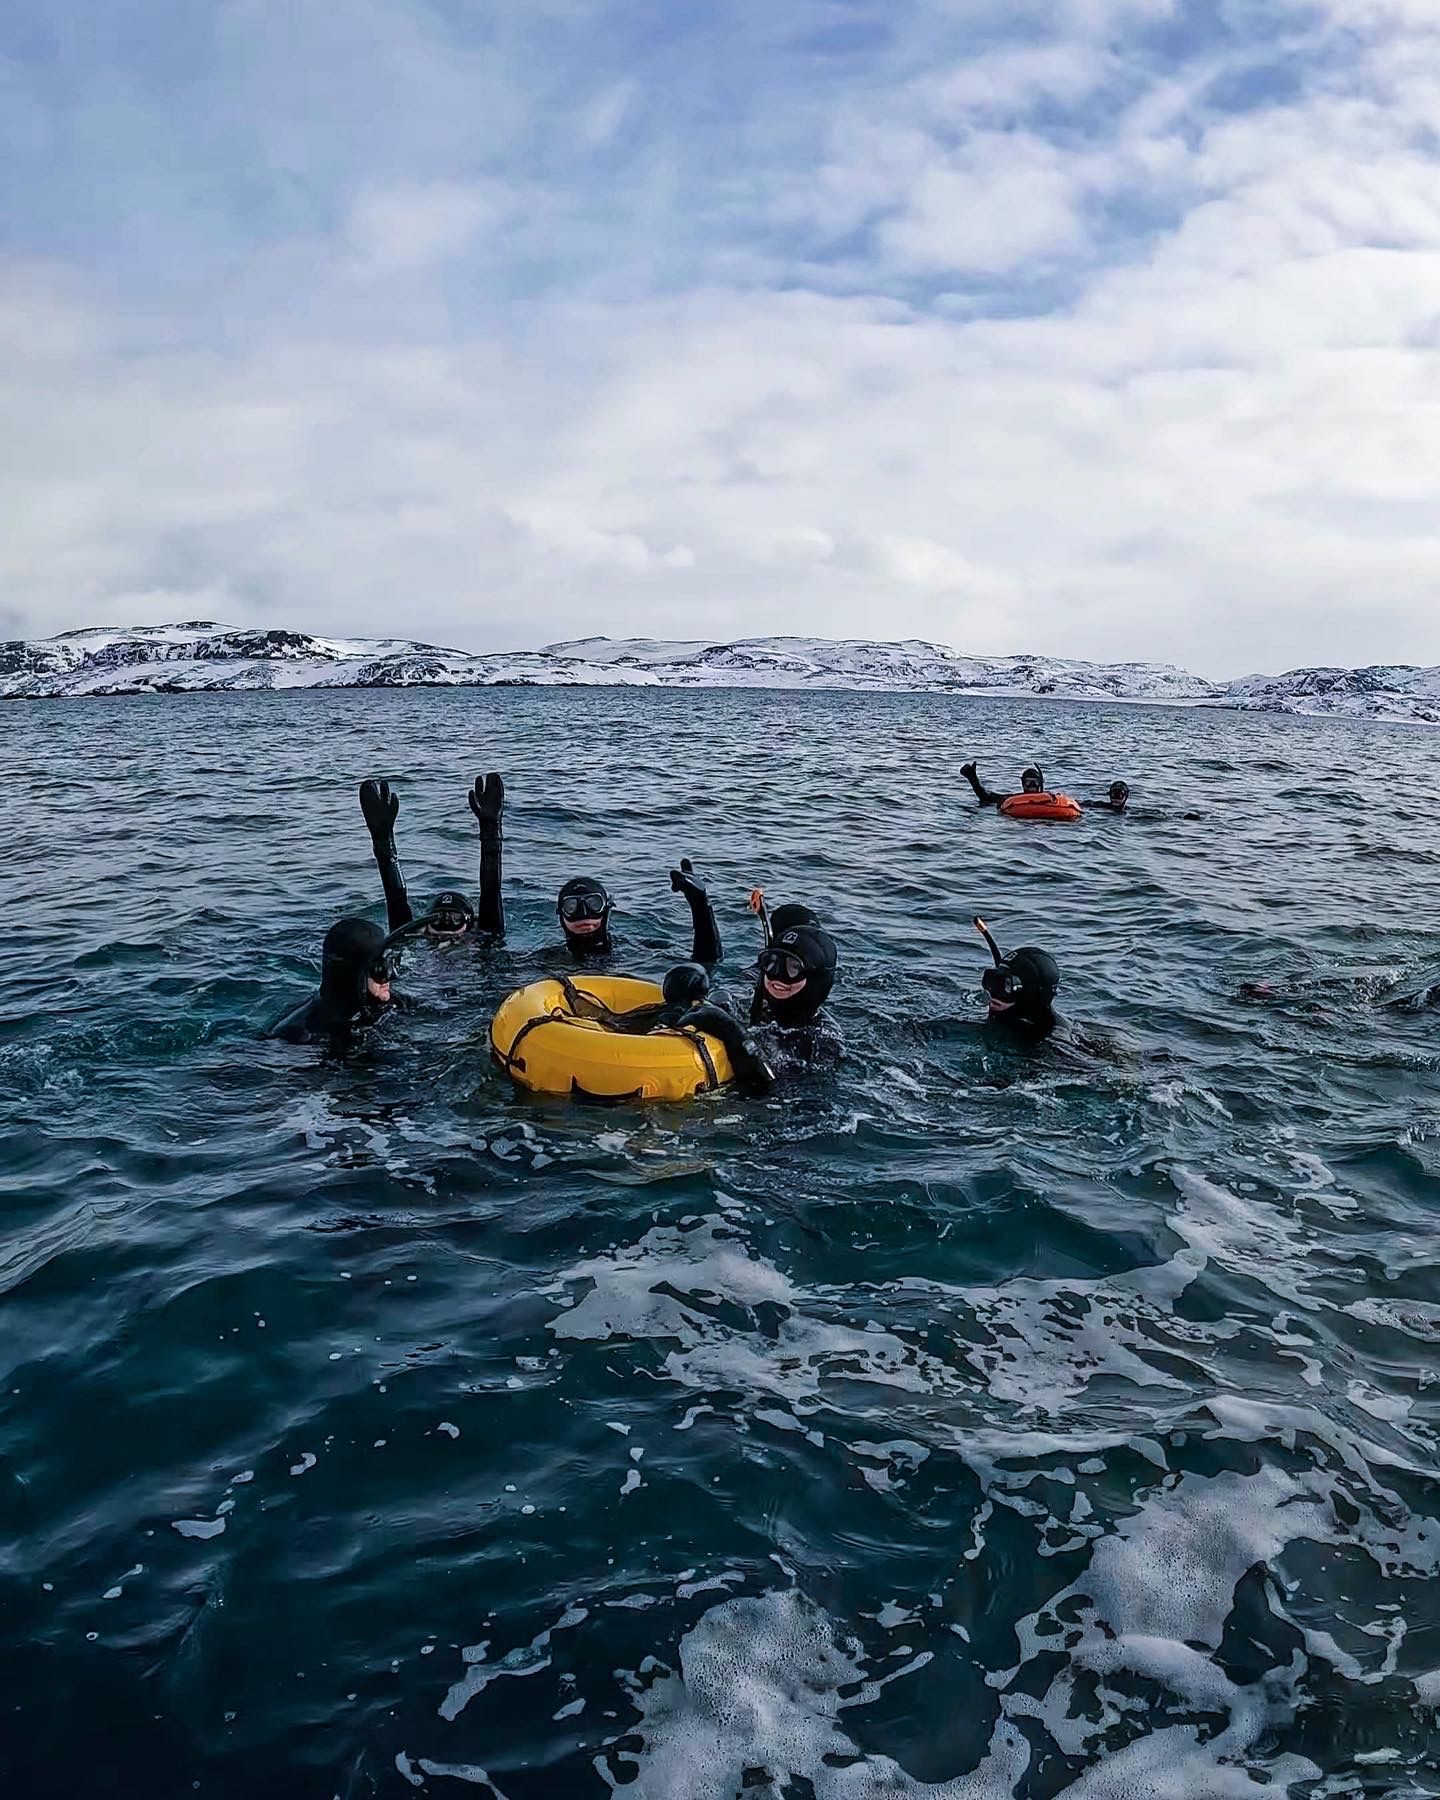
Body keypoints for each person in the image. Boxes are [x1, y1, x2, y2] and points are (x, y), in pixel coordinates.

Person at [360, 775, 505, 940]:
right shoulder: (409, 941)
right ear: (423, 928)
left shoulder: (486, 938)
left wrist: (492, 833)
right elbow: (396, 902)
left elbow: (491, 893)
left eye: (456, 920)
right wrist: (383, 841)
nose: (446, 924)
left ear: (472, 926)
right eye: (437, 919)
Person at [267, 916, 399, 1046]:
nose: (390, 975)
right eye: (379, 969)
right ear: (353, 974)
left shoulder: (389, 1002)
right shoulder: (301, 1035)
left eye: (389, 963)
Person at [975, 917, 1060, 1041]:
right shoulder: (1013, 1018)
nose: (993, 992)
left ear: (1030, 995)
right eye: (994, 980)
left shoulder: (1052, 1041)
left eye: (1007, 985)